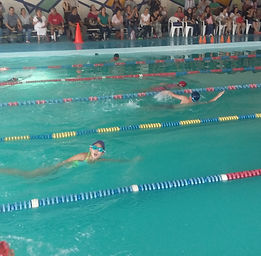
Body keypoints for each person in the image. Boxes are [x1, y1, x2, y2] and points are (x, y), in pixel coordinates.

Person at [0, 141, 107, 178]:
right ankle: (3, 170)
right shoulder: (83, 156)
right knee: (28, 175)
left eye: (99, 150)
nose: (96, 150)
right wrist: (54, 169)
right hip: (58, 168)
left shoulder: (99, 160)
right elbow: (66, 161)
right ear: (90, 148)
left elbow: (111, 160)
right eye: (94, 148)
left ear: (102, 153)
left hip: (64, 171)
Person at [161, 90, 225, 104]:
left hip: (173, 108)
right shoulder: (196, 103)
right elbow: (210, 101)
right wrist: (218, 95)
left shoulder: (184, 98)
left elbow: (172, 94)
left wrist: (167, 91)